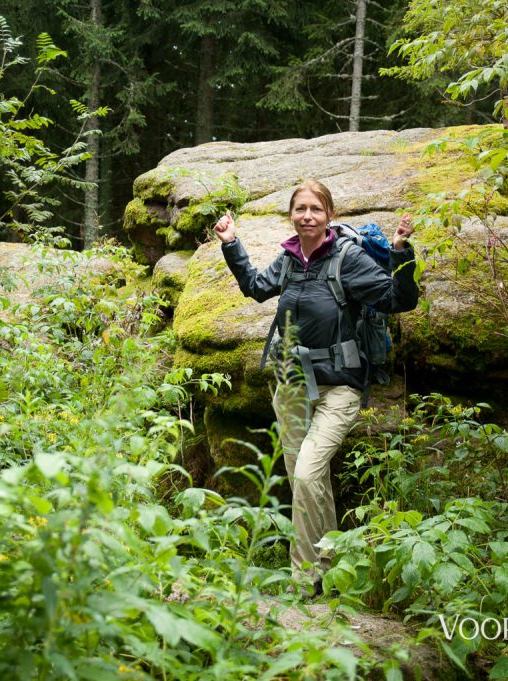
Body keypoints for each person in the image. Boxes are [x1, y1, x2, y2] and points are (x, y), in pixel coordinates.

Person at [213, 179, 419, 593]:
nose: (307, 215)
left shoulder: (349, 259)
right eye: (301, 208)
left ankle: (304, 580)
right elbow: (256, 288)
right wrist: (232, 243)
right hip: (290, 385)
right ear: (292, 214)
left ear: (330, 216)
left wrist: (400, 251)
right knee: (309, 482)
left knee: (307, 476)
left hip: (339, 388)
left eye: (316, 209)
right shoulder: (288, 259)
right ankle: (331, 568)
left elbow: (400, 300)